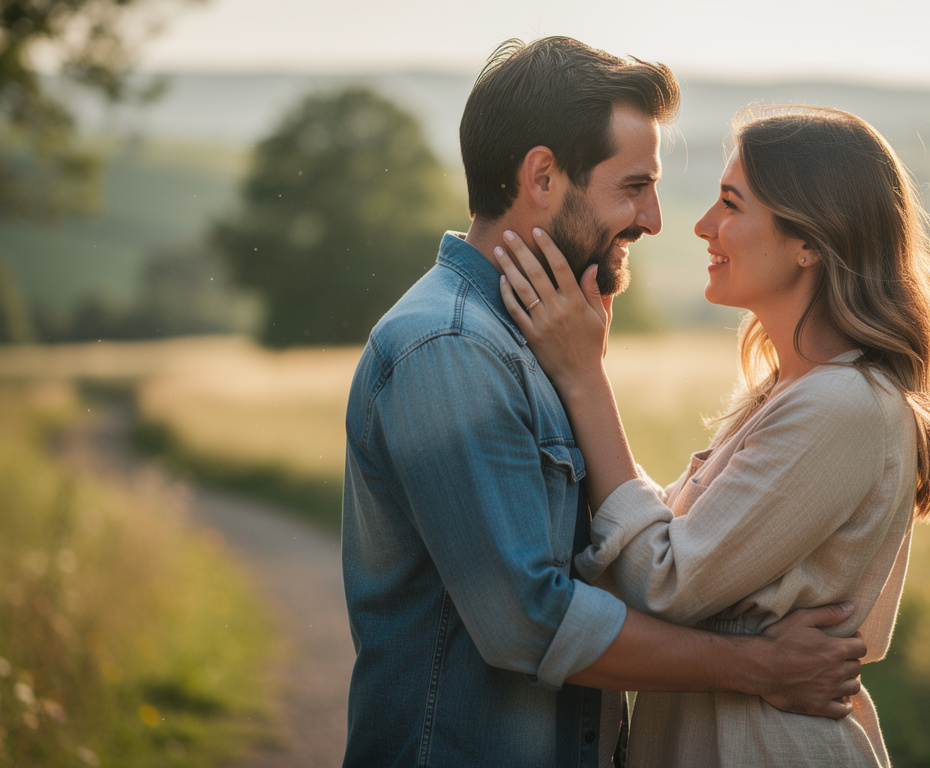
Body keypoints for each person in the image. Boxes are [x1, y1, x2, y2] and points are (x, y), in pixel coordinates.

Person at [341, 39, 865, 768]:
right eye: (633, 186)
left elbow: (625, 560)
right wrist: (760, 668)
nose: (653, 219)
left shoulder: (543, 342)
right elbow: (527, 621)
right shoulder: (450, 349)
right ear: (544, 177)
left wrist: (585, 375)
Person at [497, 105, 930, 767]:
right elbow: (643, 553)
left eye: (731, 203)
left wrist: (584, 376)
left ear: (810, 239)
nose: (701, 226)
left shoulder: (843, 406)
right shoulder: (782, 393)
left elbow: (664, 580)